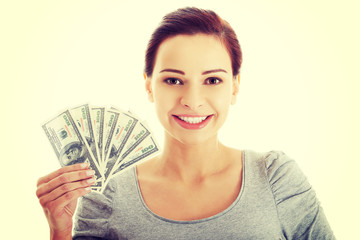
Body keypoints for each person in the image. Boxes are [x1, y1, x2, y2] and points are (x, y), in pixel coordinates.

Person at [36, 7, 335, 239]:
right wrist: (60, 231)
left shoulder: (276, 178)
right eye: (174, 79)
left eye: (213, 79)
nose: (192, 100)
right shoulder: (106, 193)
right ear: (149, 86)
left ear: (235, 86)